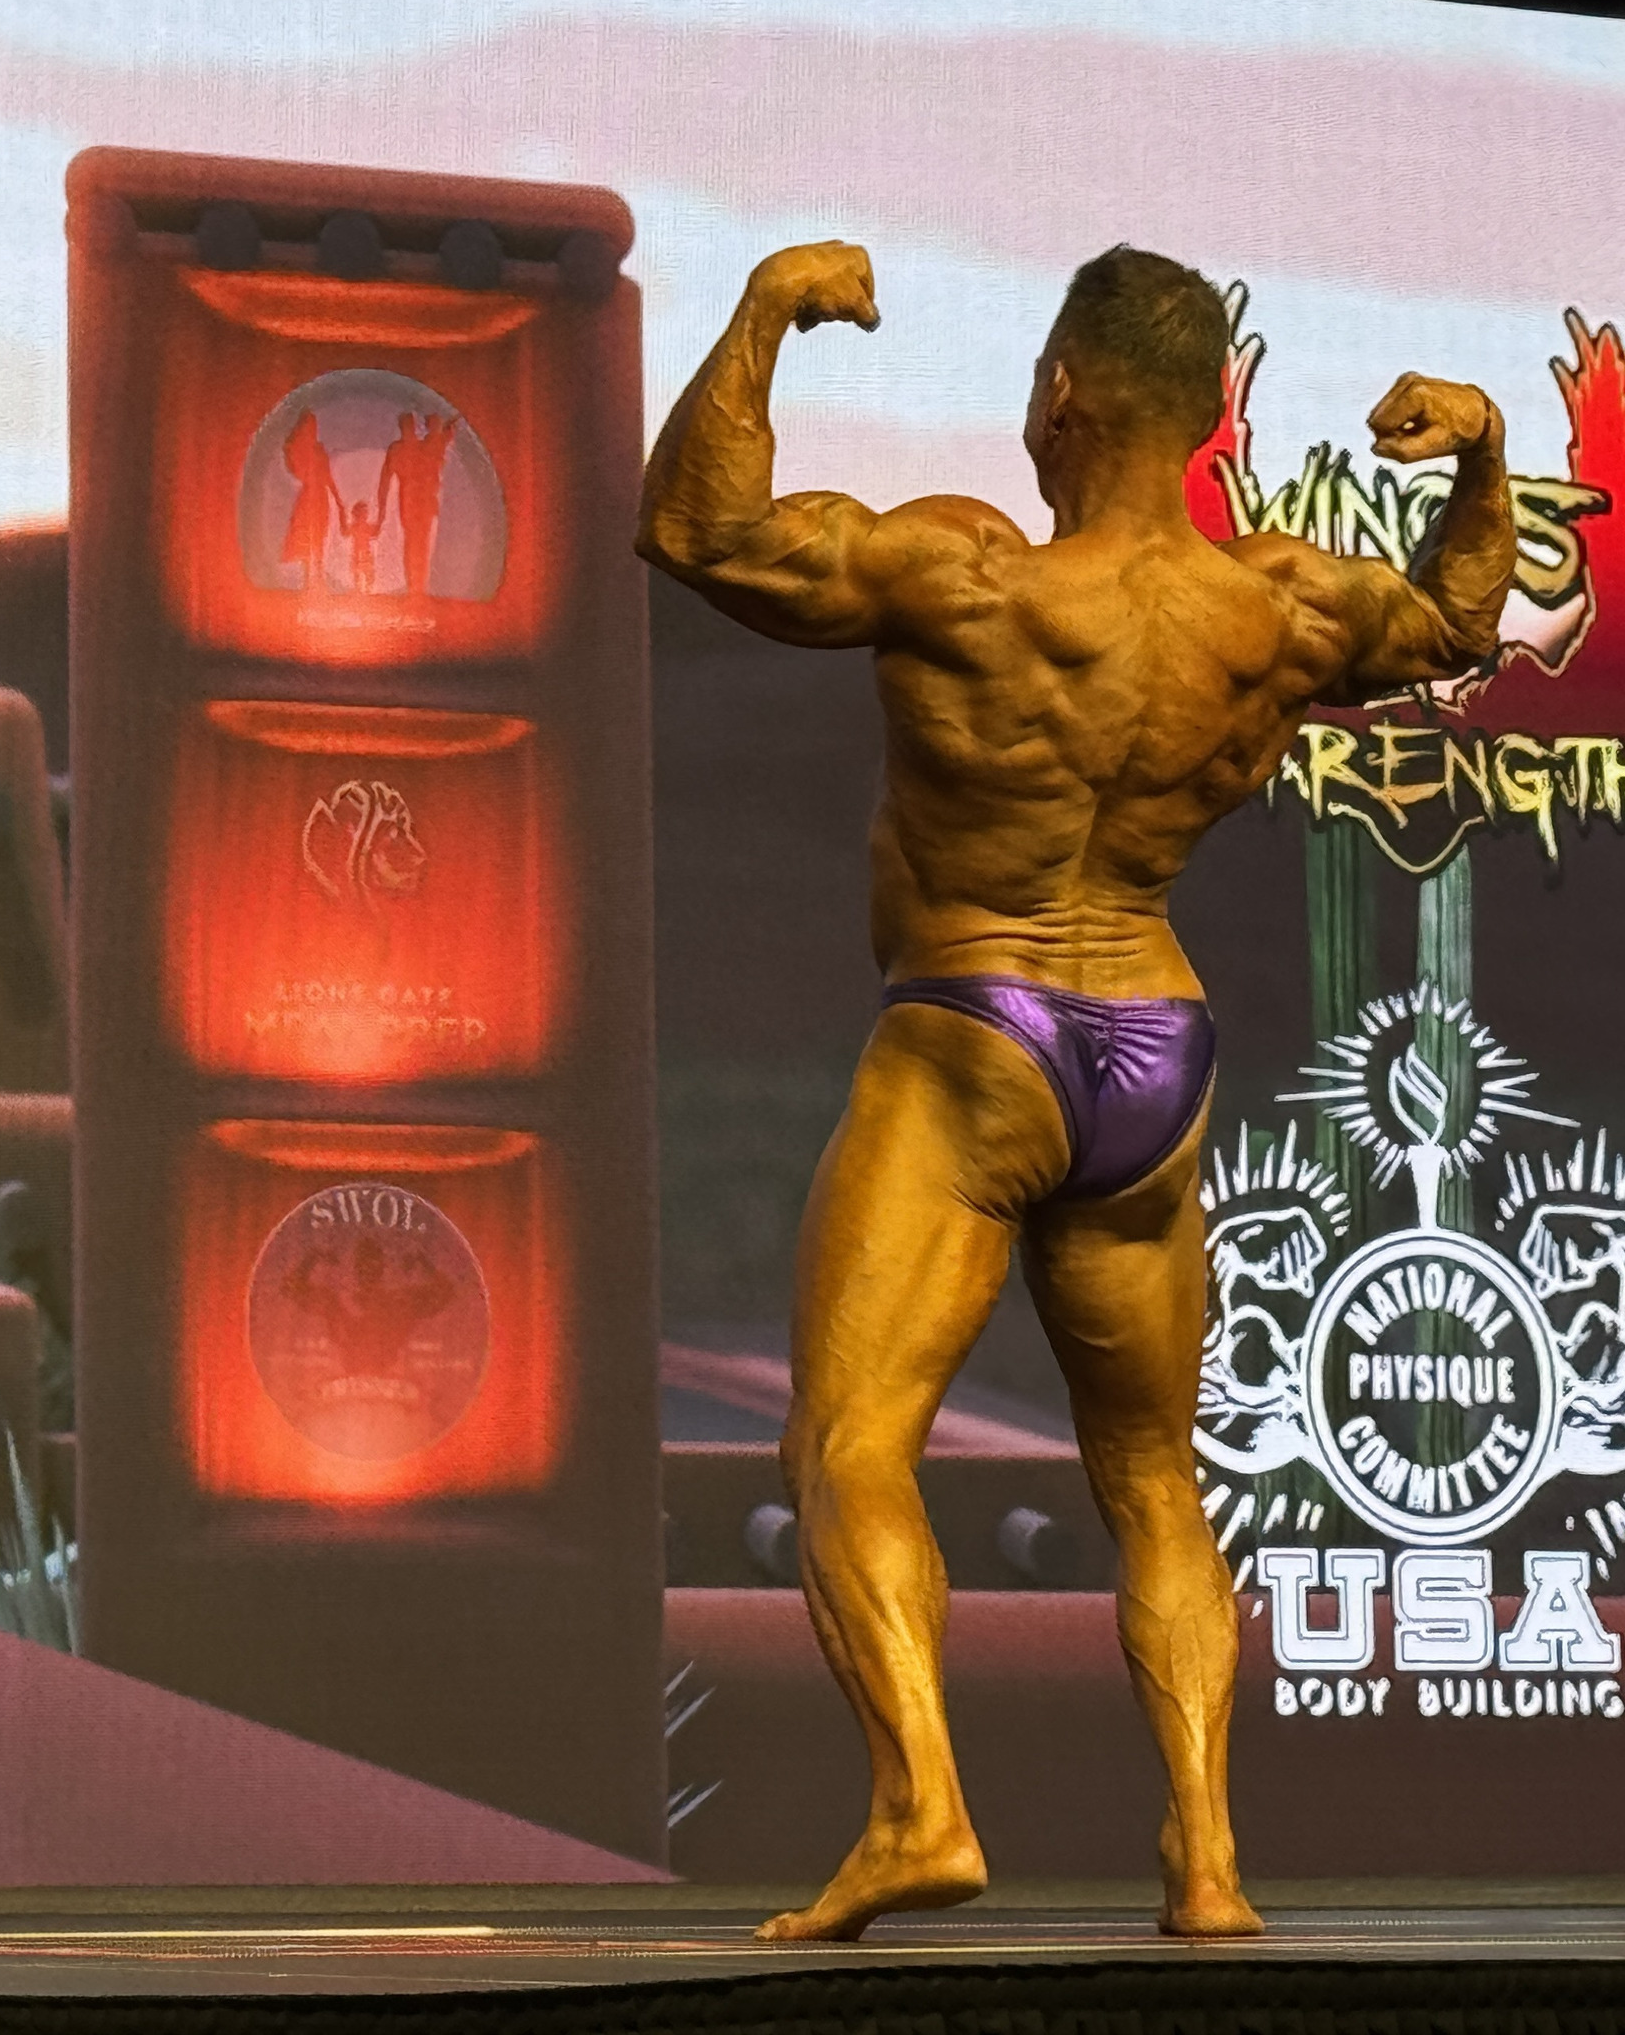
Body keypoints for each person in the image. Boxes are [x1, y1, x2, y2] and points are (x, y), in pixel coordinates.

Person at [636, 240, 1512, 1942]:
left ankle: (920, 1811)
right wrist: (1482, 456)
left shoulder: (973, 578)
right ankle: (1208, 1862)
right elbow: (1462, 620)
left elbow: (698, 529)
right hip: (1155, 1056)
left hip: (978, 1032)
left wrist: (764, 313)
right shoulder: (1278, 605)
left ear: (1058, 397)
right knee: (1154, 1477)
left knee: (846, 1443)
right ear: (1205, 420)